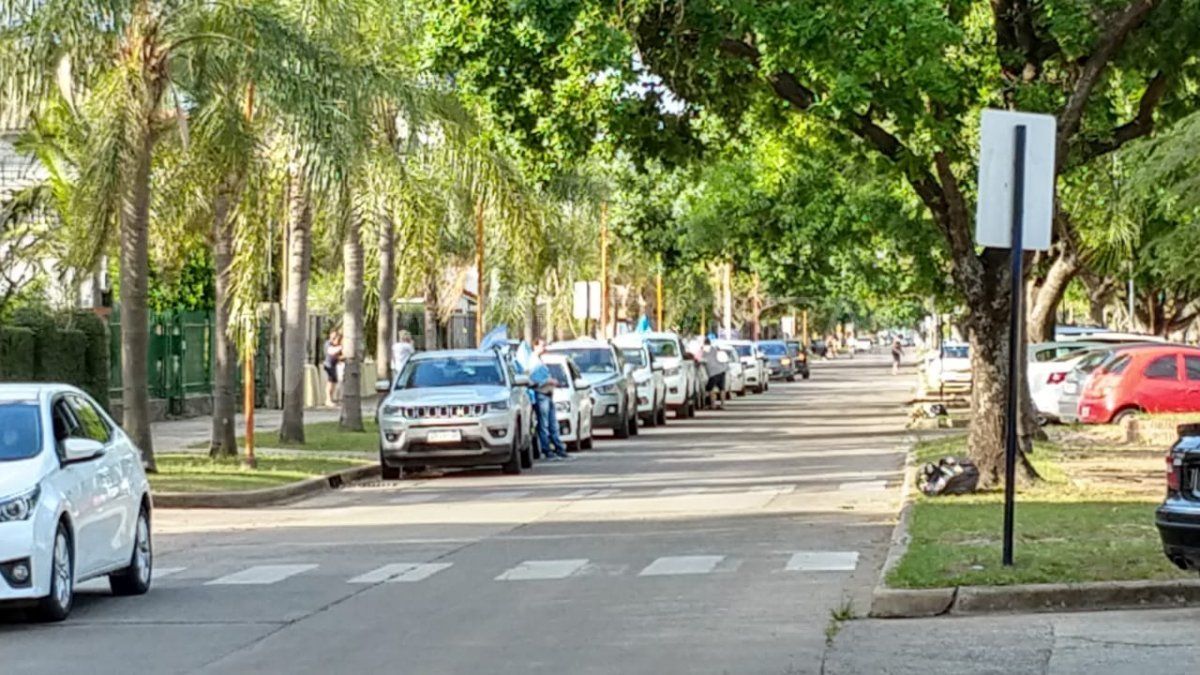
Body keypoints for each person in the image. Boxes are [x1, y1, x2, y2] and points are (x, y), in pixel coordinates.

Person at [531, 339, 569, 461]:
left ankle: (559, 449)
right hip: (541, 395)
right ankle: (547, 450)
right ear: (535, 346)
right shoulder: (533, 362)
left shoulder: (540, 361)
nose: (545, 347)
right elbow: (532, 381)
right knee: (544, 425)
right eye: (542, 345)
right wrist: (547, 381)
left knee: (553, 424)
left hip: (548, 395)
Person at [701, 337, 726, 410]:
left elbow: (701, 360)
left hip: (713, 372)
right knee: (722, 388)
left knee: (710, 389)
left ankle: (713, 405)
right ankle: (722, 404)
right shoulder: (715, 349)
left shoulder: (704, 351)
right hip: (722, 370)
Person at [323, 328, 343, 407]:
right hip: (329, 365)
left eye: (336, 336)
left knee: (333, 383)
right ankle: (328, 399)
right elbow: (331, 351)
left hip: (333, 365)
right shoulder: (328, 343)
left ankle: (331, 398)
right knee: (330, 383)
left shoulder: (335, 344)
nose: (334, 338)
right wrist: (341, 347)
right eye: (333, 336)